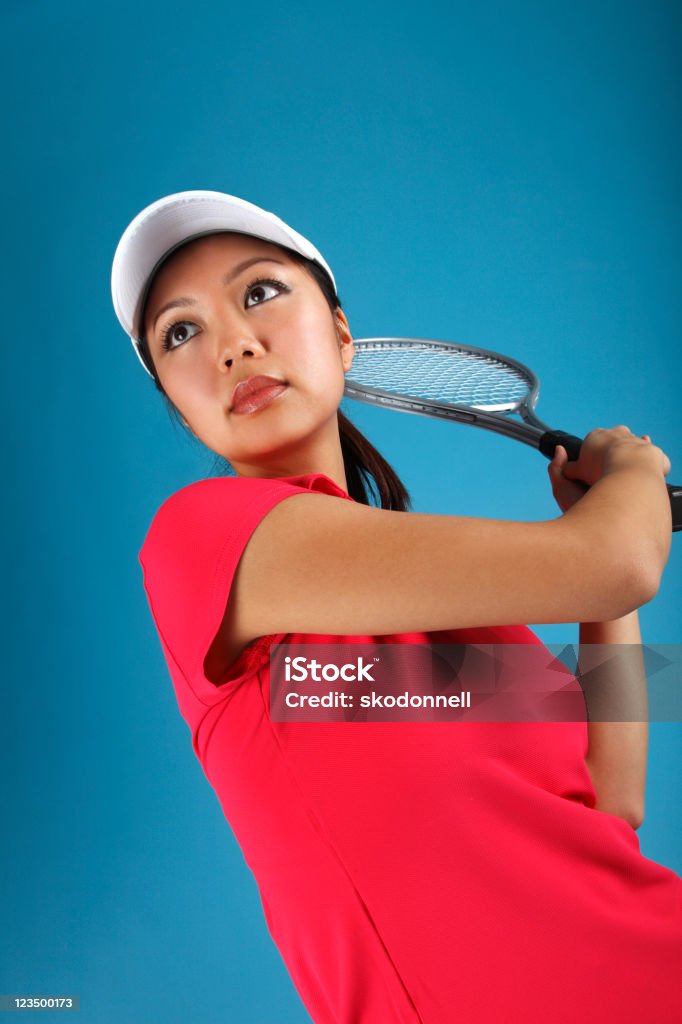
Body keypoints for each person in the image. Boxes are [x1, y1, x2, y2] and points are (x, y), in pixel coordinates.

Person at [111, 190, 681, 1023]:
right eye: (181, 332)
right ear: (180, 406)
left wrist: (598, 569)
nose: (233, 344)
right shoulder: (200, 541)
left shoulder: (450, 621)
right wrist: (631, 482)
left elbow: (612, 798)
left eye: (260, 292)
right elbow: (621, 560)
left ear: (343, 336)